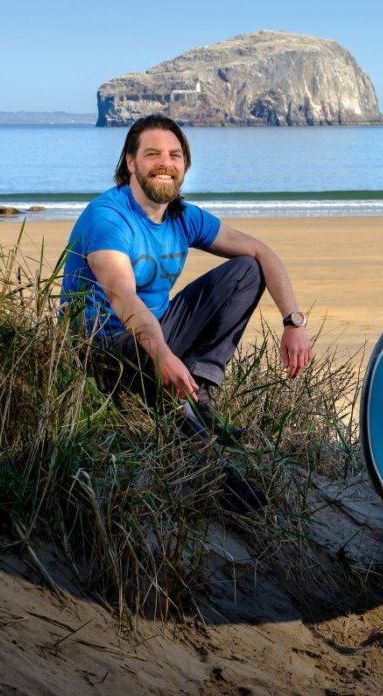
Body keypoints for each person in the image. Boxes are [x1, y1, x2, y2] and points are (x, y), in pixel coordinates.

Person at [61, 114, 313, 511]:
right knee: (159, 379)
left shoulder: (184, 217)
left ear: (185, 165)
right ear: (131, 162)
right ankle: (216, 477)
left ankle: (201, 393)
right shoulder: (109, 217)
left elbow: (264, 253)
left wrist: (292, 321)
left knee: (246, 269)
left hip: (154, 332)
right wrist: (163, 355)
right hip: (101, 348)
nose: (166, 162)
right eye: (153, 154)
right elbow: (125, 299)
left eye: (175, 154)